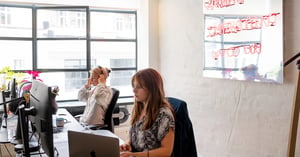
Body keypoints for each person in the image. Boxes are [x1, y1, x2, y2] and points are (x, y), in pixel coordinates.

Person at [120, 68, 175, 157]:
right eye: (134, 86)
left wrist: (136, 155)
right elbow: (132, 134)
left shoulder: (164, 115)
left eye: (139, 87)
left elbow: (166, 151)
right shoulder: (139, 108)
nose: (134, 90)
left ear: (151, 89)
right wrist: (127, 143)